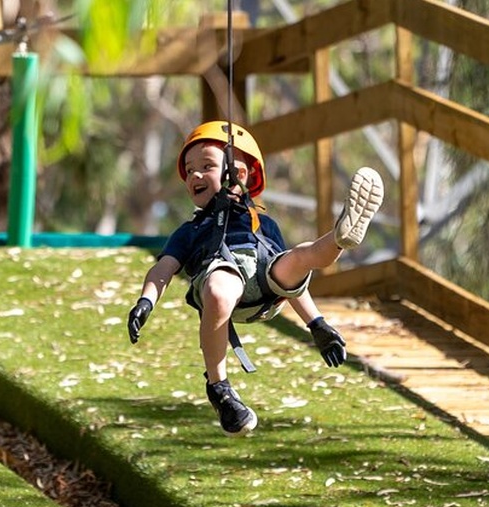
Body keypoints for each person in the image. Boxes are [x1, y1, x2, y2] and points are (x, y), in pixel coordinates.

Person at [126, 121, 384, 437]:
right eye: (189, 170)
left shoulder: (262, 221)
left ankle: (340, 237)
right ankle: (219, 388)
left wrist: (317, 324)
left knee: (300, 257)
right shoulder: (189, 231)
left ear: (240, 175)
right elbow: (163, 269)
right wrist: (146, 301)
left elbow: (291, 280)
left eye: (206, 166)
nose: (194, 175)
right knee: (221, 286)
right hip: (222, 283)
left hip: (265, 285)